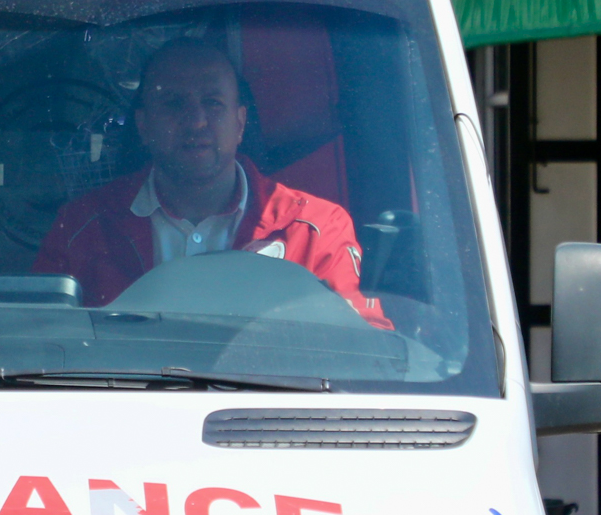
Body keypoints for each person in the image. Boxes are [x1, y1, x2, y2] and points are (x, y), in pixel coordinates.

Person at [33, 40, 391, 329]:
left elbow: (369, 356)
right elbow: (36, 344)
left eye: (213, 102)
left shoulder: (314, 230)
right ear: (142, 125)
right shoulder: (81, 227)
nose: (196, 121)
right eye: (174, 103)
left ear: (239, 124)